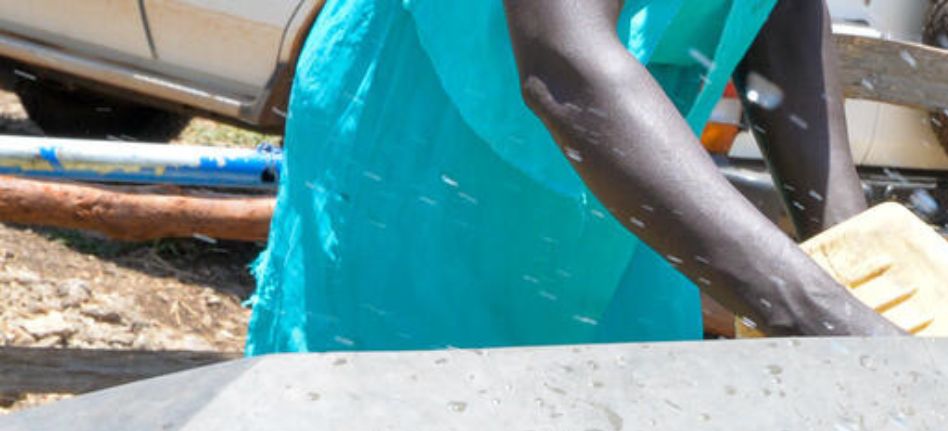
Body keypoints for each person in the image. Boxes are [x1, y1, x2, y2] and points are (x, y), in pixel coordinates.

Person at [247, 0, 897, 354]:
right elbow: (565, 63)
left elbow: (781, 15)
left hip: (640, 181)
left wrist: (859, 259)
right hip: (433, 148)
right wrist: (820, 316)